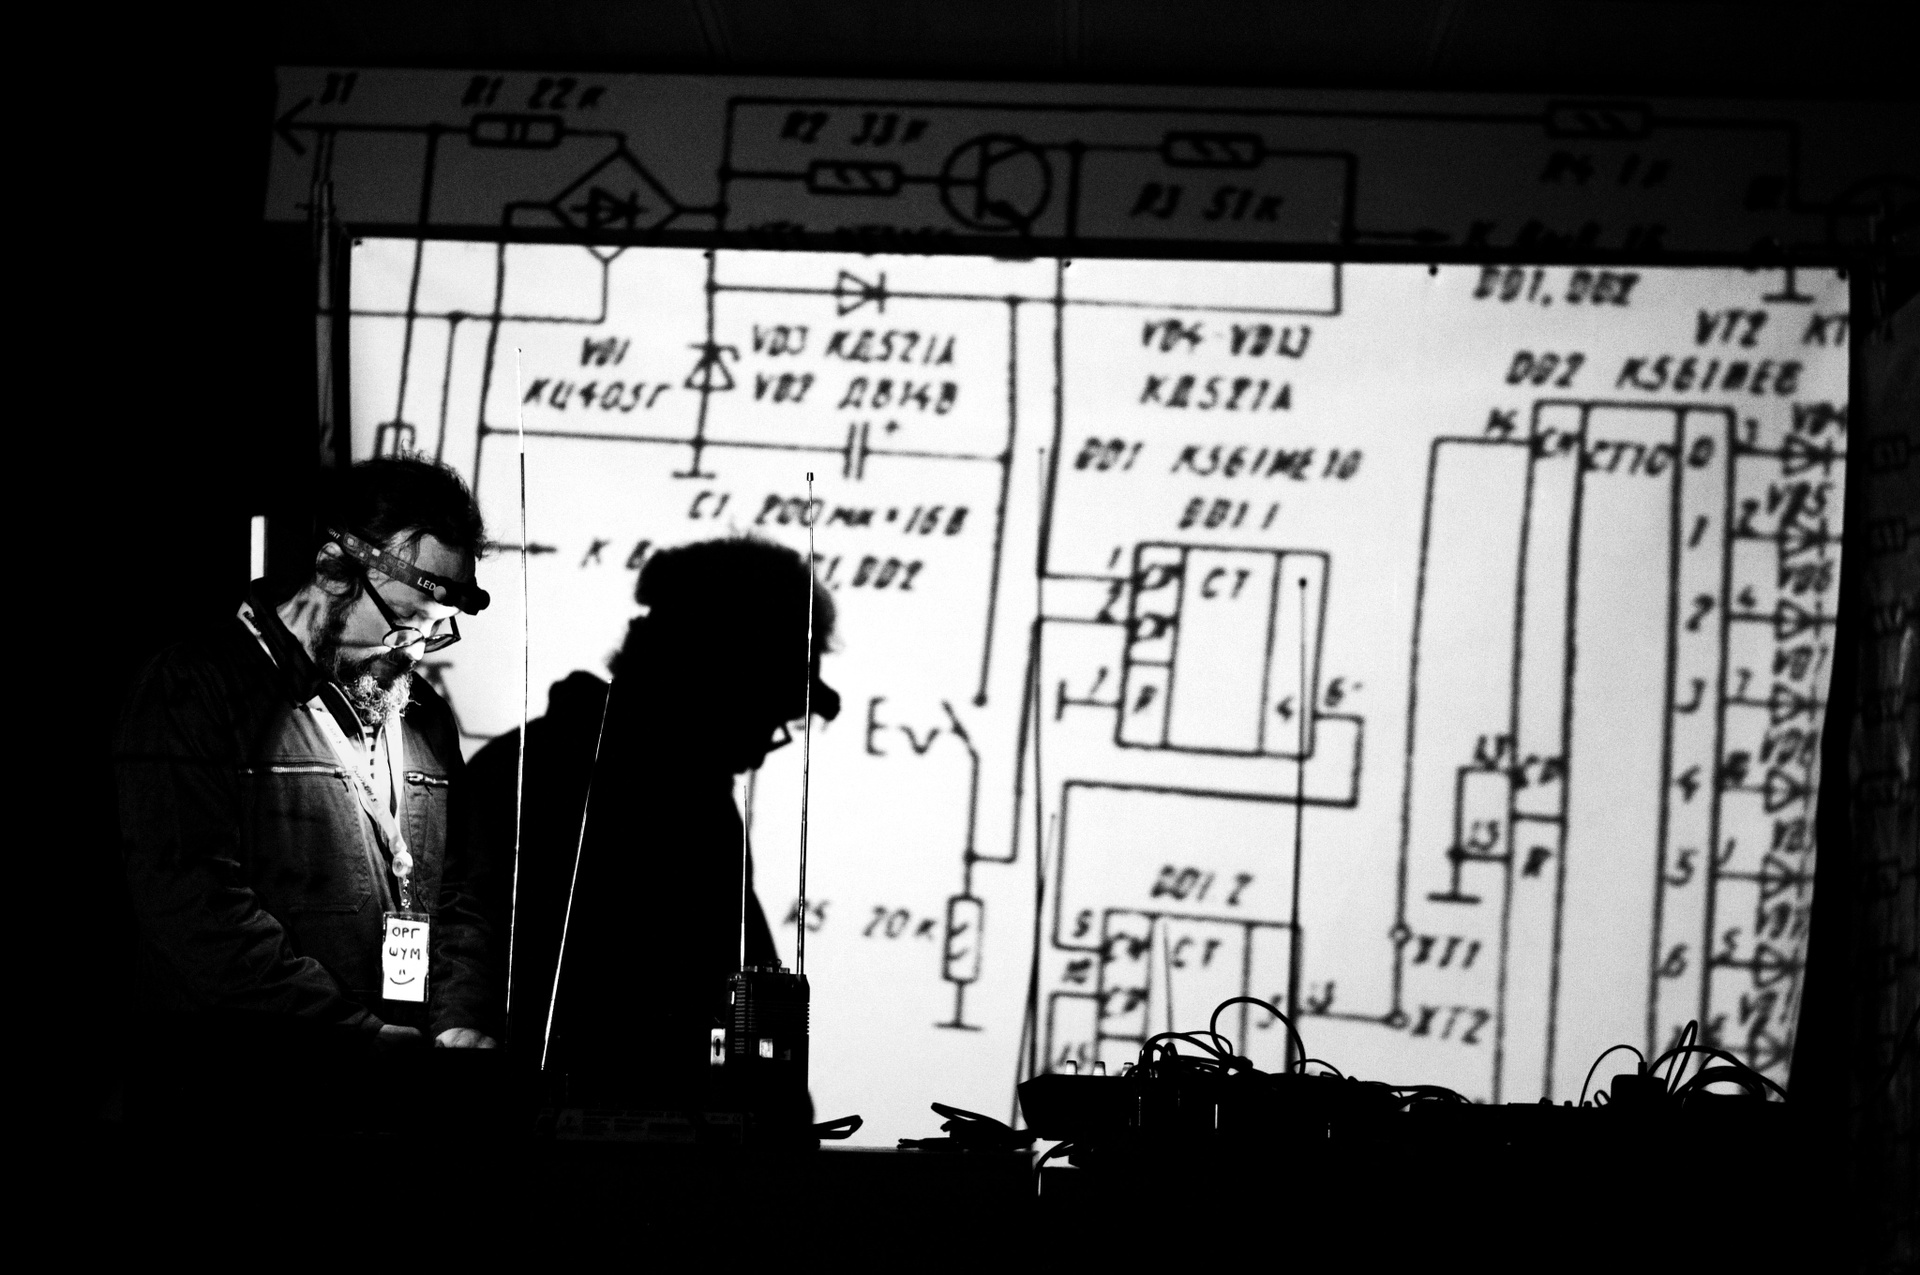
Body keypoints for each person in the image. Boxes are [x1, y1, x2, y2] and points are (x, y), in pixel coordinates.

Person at [114, 457, 499, 1125]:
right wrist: (348, 1034)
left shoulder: (423, 716)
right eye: (406, 619)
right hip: (240, 1104)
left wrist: (456, 1020)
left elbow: (461, 891)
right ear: (332, 571)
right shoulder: (195, 691)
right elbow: (195, 906)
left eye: (434, 629)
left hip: (397, 1099)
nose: (414, 649)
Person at [475, 536, 838, 1104]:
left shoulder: (531, 763)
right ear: (721, 677)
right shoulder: (676, 802)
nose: (766, 745)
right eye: (769, 707)